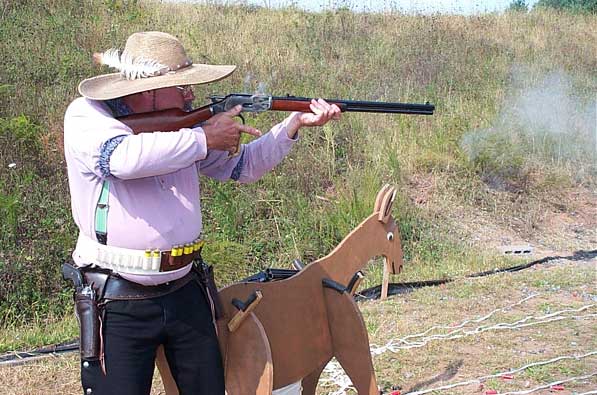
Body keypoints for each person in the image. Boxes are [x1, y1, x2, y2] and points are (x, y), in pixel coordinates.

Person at [63, 31, 341, 395]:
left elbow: (241, 167)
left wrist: (292, 126)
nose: (190, 94)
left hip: (185, 288)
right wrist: (203, 138)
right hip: (116, 296)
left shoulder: (183, 128)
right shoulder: (88, 115)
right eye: (182, 87)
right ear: (150, 89)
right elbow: (121, 158)